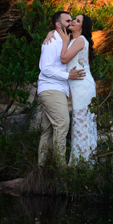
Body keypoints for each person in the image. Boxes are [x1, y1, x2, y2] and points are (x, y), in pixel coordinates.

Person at [37, 11, 85, 166]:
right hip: (51, 89)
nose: (71, 22)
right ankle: (60, 168)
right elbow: (46, 69)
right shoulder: (51, 42)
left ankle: (42, 168)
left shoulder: (65, 40)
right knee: (63, 123)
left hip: (57, 90)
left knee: (48, 130)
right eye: (67, 20)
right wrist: (67, 76)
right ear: (58, 24)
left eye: (72, 20)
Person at [58, 15, 97, 164]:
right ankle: (83, 162)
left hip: (82, 85)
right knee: (81, 122)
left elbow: (64, 59)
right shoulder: (75, 40)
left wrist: (65, 42)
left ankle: (81, 164)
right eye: (74, 19)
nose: (73, 21)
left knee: (81, 122)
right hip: (78, 85)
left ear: (82, 27)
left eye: (78, 21)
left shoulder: (79, 40)